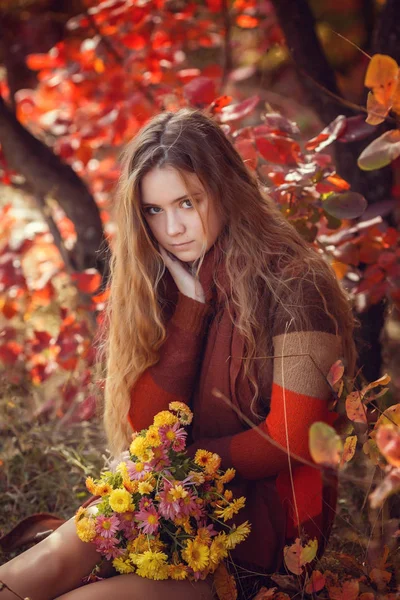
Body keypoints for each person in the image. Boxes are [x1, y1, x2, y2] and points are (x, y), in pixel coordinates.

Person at [0, 108, 357, 600]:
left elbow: (291, 438)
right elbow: (148, 429)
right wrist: (189, 312)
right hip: (168, 503)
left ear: (225, 189)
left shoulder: (297, 285)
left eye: (187, 203)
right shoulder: (165, 279)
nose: (172, 228)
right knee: (40, 569)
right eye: (154, 210)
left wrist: (172, 469)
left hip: (256, 538)